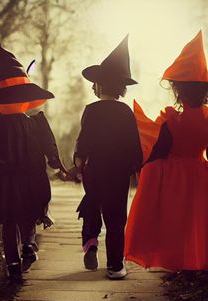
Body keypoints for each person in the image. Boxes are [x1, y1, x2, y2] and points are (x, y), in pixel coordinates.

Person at [125, 31, 208, 272]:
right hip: (202, 176)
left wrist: (143, 165)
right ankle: (195, 264)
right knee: (196, 222)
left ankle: (179, 264)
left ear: (179, 90)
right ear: (206, 90)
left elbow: (160, 151)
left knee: (176, 221)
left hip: (175, 177)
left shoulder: (171, 120)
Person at [0, 41, 62, 281]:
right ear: (27, 98)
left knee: (9, 221)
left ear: (1, 99)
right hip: (32, 179)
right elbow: (49, 149)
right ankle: (29, 245)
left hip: (5, 183)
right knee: (29, 213)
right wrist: (58, 166)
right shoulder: (36, 123)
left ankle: (13, 262)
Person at [74, 35, 142, 279]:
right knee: (115, 219)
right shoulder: (125, 112)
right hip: (118, 173)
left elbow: (84, 140)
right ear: (121, 88)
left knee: (92, 203)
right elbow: (134, 145)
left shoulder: (91, 110)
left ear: (98, 86)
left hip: (95, 170)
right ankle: (115, 265)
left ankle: (90, 242)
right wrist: (138, 169)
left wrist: (79, 162)